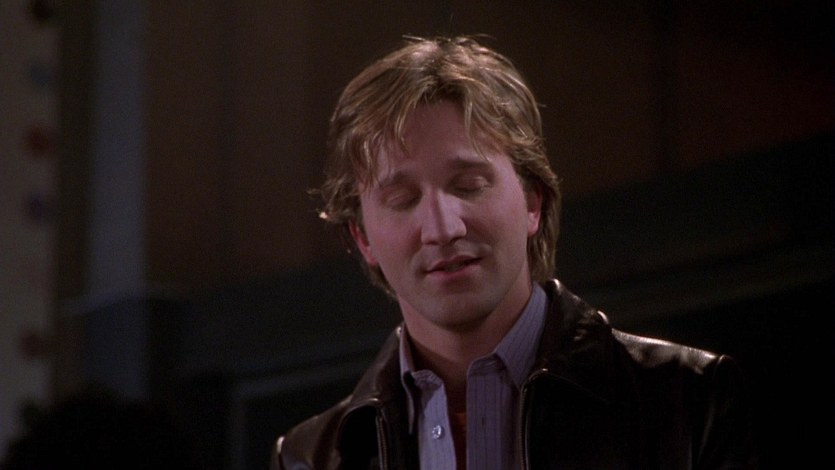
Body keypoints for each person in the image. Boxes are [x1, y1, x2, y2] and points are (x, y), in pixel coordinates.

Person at [272, 35, 756, 469]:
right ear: (362, 238)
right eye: (402, 199)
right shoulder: (310, 459)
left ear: (532, 202)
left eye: (469, 185)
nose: (442, 228)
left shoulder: (688, 402)